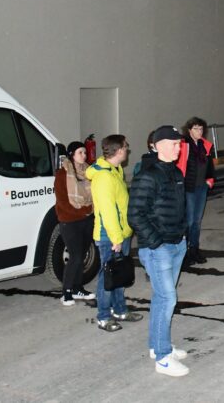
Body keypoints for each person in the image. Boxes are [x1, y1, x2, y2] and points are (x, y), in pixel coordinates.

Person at [128, 125, 190, 377]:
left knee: (161, 298)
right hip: (159, 248)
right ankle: (163, 359)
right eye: (175, 143)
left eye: (179, 143)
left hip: (176, 243)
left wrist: (182, 234)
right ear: (160, 144)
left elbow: (178, 207)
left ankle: (157, 346)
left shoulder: (174, 171)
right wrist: (156, 242)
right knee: (167, 298)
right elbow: (135, 214)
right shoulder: (148, 175)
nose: (179, 147)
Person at [86, 134, 143, 332]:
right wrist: (116, 238)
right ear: (118, 150)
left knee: (120, 274)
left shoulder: (115, 170)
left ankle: (119, 310)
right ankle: (103, 316)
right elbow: (108, 210)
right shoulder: (103, 177)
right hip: (109, 236)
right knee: (107, 278)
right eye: (126, 147)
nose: (127, 150)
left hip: (120, 232)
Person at [54, 141, 95, 306]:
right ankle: (66, 291)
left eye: (85, 153)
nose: (84, 156)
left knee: (82, 255)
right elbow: (63, 202)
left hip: (86, 219)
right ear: (71, 155)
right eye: (80, 153)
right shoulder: (63, 174)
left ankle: (78, 288)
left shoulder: (88, 172)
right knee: (75, 256)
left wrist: (89, 211)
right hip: (70, 221)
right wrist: (84, 211)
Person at [176, 117, 215, 265]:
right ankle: (184, 252)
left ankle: (194, 249)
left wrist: (210, 179)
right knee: (189, 220)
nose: (200, 131)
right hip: (189, 188)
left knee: (197, 222)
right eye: (196, 129)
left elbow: (210, 165)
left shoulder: (204, 145)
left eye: (201, 129)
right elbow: (179, 165)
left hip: (201, 187)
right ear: (189, 130)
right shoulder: (183, 144)